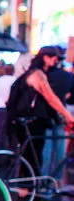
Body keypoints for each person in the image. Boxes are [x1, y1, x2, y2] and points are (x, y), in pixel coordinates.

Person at [7, 46, 74, 183]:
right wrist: (68, 116)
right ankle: (27, 189)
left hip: (24, 119)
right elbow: (50, 97)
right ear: (46, 57)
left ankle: (28, 189)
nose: (56, 62)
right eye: (54, 59)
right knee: (33, 155)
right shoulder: (37, 74)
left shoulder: (31, 72)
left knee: (32, 155)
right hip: (30, 121)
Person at [42, 47, 74, 179]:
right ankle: (57, 179)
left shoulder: (45, 75)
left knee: (47, 147)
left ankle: (44, 178)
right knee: (60, 147)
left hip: (46, 113)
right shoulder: (68, 76)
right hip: (61, 113)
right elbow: (69, 95)